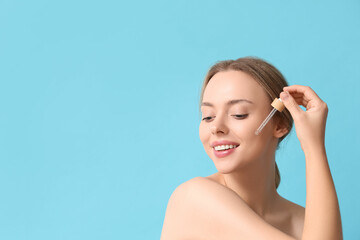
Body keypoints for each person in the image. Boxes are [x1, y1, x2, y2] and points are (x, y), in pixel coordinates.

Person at [160, 57, 343, 240]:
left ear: (279, 125)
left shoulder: (305, 223)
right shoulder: (193, 199)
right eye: (208, 117)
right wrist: (313, 148)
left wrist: (314, 146)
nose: (216, 127)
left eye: (238, 114)